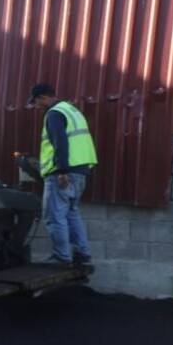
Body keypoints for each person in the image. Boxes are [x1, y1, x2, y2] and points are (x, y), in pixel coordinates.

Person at [28, 83, 98, 266]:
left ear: (43, 97)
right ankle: (82, 254)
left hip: (62, 174)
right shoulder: (72, 111)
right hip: (81, 171)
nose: (36, 106)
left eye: (36, 101)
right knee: (71, 213)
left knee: (54, 216)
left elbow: (60, 142)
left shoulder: (54, 114)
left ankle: (62, 257)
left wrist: (61, 171)